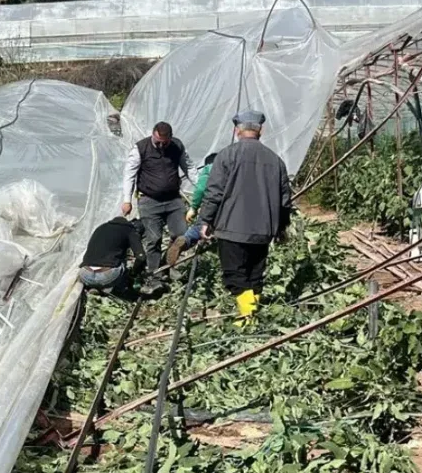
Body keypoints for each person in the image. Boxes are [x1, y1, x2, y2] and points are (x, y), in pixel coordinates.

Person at [198, 110, 293, 326]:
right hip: (263, 230)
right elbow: (285, 200)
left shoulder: (226, 155)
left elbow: (214, 192)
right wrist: (281, 227)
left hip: (232, 228)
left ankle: (247, 319)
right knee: (254, 275)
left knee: (235, 275)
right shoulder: (275, 160)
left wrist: (206, 220)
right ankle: (249, 318)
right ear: (261, 130)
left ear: (236, 130)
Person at [121, 121, 196, 288]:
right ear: (153, 135)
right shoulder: (140, 148)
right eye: (158, 141)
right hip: (149, 200)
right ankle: (154, 274)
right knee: (154, 238)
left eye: (165, 142)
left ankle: (170, 265)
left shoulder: (177, 146)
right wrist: (127, 200)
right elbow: (129, 174)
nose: (161, 145)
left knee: (181, 234)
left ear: (170, 137)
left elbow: (189, 167)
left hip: (173, 200)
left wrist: (201, 189)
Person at [165, 152, 218, 266]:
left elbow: (200, 189)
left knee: (200, 227)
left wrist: (194, 208)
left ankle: (186, 240)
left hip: (209, 205)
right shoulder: (231, 170)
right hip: (228, 207)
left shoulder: (208, 169)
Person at [78, 216, 146, 292]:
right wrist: (134, 272)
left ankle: (95, 287)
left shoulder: (101, 227)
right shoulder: (130, 230)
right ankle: (119, 290)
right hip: (106, 276)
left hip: (85, 274)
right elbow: (141, 257)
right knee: (123, 261)